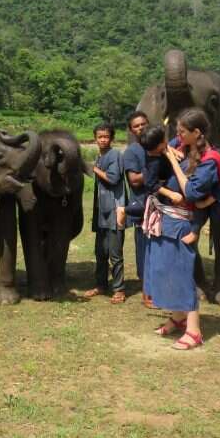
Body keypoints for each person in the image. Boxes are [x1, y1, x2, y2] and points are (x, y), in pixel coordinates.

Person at [144, 108, 220, 351]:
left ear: (197, 133)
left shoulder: (211, 160)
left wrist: (171, 159)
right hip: (167, 218)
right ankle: (179, 316)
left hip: (182, 221)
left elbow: (191, 192)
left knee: (181, 273)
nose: (177, 135)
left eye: (182, 131)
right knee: (165, 268)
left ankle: (194, 330)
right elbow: (158, 151)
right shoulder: (181, 145)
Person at [123, 117, 168, 307]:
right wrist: (154, 170)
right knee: (145, 250)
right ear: (131, 130)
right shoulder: (132, 151)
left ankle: (158, 288)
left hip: (162, 205)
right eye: (136, 126)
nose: (140, 127)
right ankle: (147, 293)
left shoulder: (159, 146)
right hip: (143, 206)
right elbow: (134, 180)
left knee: (159, 248)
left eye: (143, 124)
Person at [83, 123, 126, 303]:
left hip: (115, 210)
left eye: (106, 137)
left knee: (115, 253)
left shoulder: (114, 154)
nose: (102, 139)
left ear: (112, 138)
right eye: (99, 137)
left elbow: (113, 178)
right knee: (100, 252)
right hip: (102, 212)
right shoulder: (100, 156)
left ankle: (119, 290)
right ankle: (101, 285)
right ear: (95, 138)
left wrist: (93, 168)